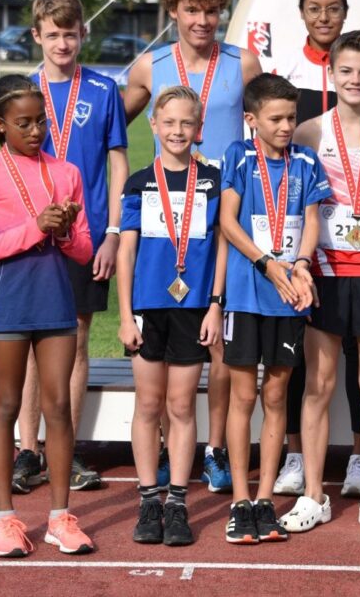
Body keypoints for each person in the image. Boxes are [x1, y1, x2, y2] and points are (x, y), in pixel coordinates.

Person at [124, 0, 261, 493]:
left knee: (220, 339)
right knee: (164, 332)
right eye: (191, 11)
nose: (202, 21)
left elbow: (264, 122)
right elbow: (117, 125)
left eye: (211, 11)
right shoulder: (149, 65)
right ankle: (163, 447)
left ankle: (217, 450)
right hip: (164, 212)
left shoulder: (243, 62)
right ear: (173, 13)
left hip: (224, 210)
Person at [280, 31, 360, 537]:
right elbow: (299, 207)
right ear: (331, 75)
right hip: (325, 276)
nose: (355, 80)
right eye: (346, 71)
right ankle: (314, 494)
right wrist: (301, 267)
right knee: (318, 384)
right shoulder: (310, 132)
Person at [267, 0, 360, 500]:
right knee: (303, 366)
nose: (324, 16)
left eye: (333, 8)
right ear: (302, 12)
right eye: (314, 8)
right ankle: (297, 454)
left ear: (344, 11)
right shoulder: (289, 72)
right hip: (311, 253)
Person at [0, 75, 95, 557]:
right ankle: (4, 520)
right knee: (7, 405)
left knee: (58, 407)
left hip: (56, 299)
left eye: (41, 121)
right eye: (24, 123)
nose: (36, 130)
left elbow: (83, 250)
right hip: (9, 301)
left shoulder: (66, 173)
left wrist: (61, 234)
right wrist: (33, 228)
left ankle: (60, 517)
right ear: (0, 125)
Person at [12, 0, 129, 494]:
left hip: (87, 236)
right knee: (34, 345)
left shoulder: (104, 90)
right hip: (32, 235)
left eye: (70, 32)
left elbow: (118, 163)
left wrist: (113, 232)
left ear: (84, 33)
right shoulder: (20, 91)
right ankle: (27, 450)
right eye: (52, 34)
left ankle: (68, 447)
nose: (62, 42)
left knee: (77, 341)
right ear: (37, 35)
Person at [218, 73, 332, 544]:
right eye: (277, 119)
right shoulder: (237, 157)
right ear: (252, 120)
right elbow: (228, 221)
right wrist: (268, 265)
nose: (287, 127)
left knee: (276, 394)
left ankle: (266, 499)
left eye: (292, 117)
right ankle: (239, 501)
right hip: (249, 292)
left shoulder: (306, 161)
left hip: (290, 295)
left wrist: (301, 265)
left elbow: (310, 221)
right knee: (243, 396)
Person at [117, 87, 227, 547]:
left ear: (198, 129)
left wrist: (216, 303)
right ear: (154, 126)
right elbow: (126, 251)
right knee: (148, 405)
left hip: (194, 308)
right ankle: (148, 498)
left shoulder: (212, 181)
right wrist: (125, 315)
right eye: (170, 123)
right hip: (147, 307)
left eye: (187, 123)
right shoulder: (139, 182)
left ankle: (178, 501)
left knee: (181, 406)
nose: (178, 131)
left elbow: (223, 243)